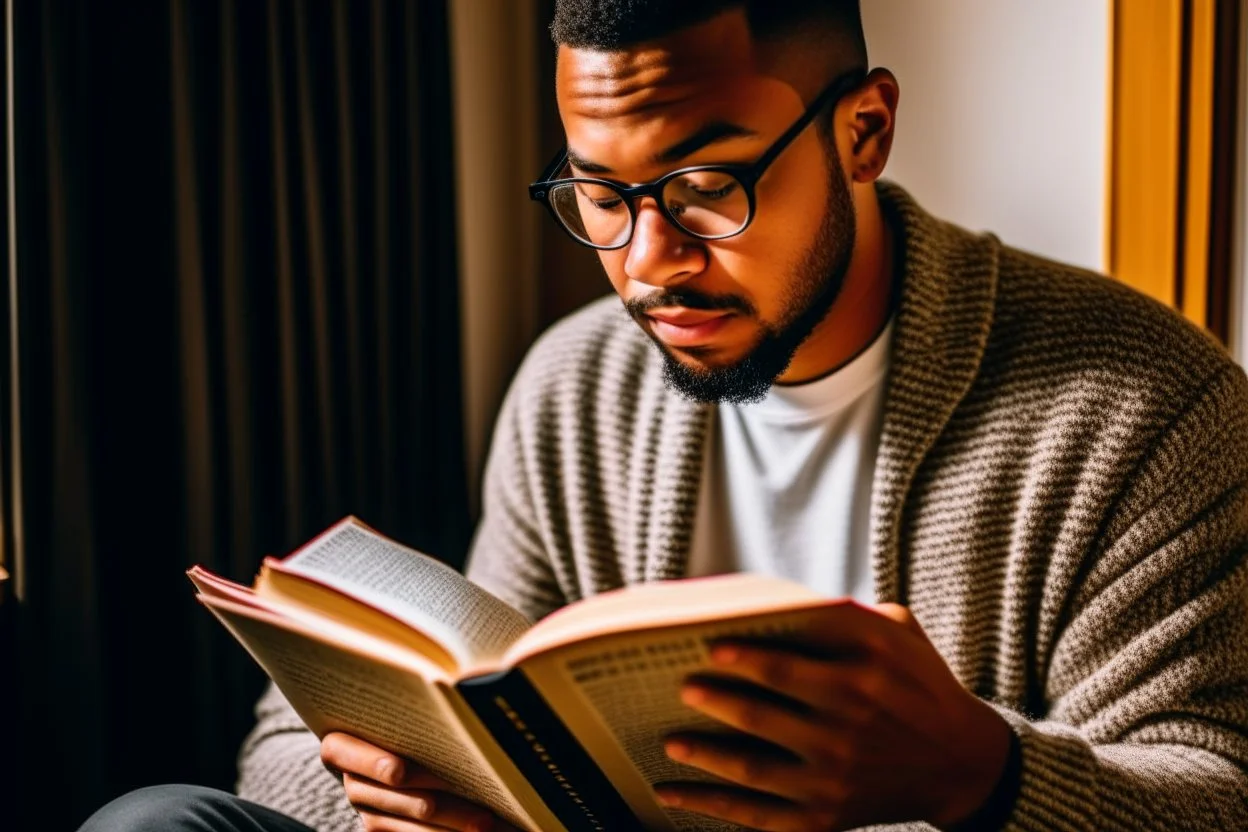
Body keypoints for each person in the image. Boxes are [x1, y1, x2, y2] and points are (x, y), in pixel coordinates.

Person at [81, 1, 1248, 830]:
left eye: (703, 189)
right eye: (599, 194)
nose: (647, 263)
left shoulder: (1140, 403)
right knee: (157, 820)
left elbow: (1215, 790)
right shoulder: (575, 384)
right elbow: (454, 695)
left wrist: (979, 776)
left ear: (864, 131)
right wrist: (401, 793)